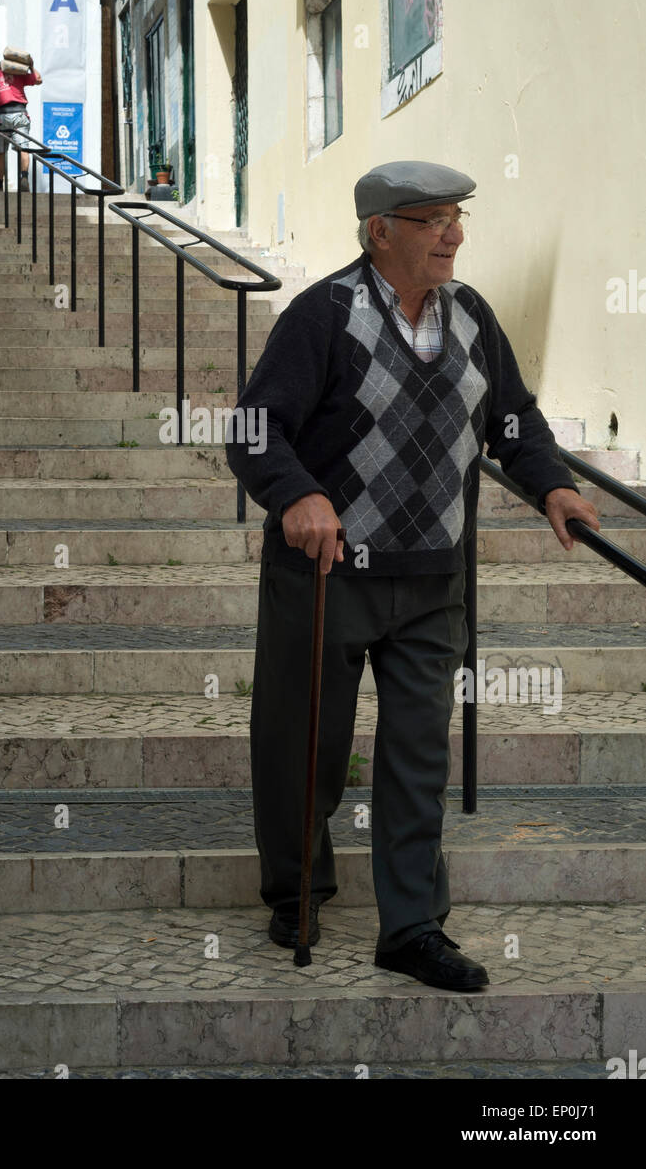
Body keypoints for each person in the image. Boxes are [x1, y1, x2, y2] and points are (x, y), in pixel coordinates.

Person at [225, 160, 601, 992]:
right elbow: (253, 429)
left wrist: (553, 486)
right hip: (325, 571)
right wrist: (295, 494)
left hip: (433, 574)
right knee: (302, 746)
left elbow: (512, 418)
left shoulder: (470, 315)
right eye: (433, 220)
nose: (454, 235)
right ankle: (296, 894)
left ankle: (411, 927)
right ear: (379, 231)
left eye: (457, 218)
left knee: (417, 754)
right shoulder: (322, 315)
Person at [0, 52, 42, 191]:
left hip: (1, 116)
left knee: (0, 152)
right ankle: (24, 176)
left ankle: (0, 185)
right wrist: (31, 66)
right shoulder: (16, 73)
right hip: (20, 114)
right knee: (24, 148)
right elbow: (38, 79)